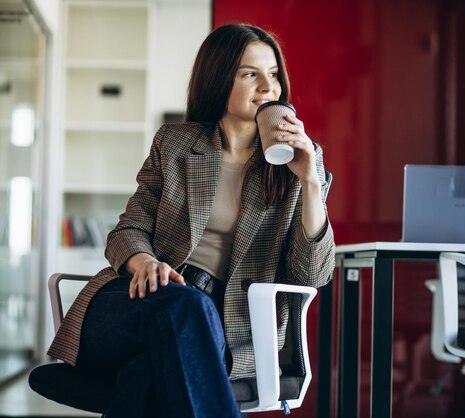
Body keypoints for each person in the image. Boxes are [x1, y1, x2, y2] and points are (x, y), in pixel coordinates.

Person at [47, 23, 335, 418]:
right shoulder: (174, 144)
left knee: (151, 371)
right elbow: (126, 231)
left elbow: (313, 275)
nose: (268, 88)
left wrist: (310, 182)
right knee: (188, 311)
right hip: (142, 298)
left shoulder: (304, 161)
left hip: (228, 323)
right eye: (250, 74)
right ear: (219, 79)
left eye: (273, 75)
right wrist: (144, 262)